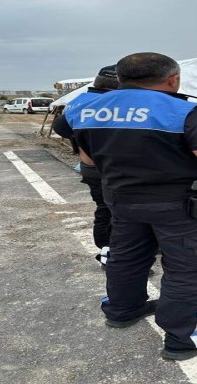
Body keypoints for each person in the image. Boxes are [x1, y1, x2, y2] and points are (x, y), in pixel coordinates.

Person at [57, 52, 197, 361]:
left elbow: (86, 156)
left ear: (122, 78)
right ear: (173, 79)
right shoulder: (184, 111)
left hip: (120, 199)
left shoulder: (82, 108)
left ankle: (122, 309)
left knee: (127, 256)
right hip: (181, 207)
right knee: (189, 268)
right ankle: (186, 337)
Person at [54, 65, 119, 266]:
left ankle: (106, 248)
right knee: (117, 211)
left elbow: (60, 128)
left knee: (103, 208)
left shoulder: (78, 101)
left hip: (90, 167)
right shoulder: (112, 102)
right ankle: (110, 252)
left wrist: (83, 141)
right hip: (113, 168)